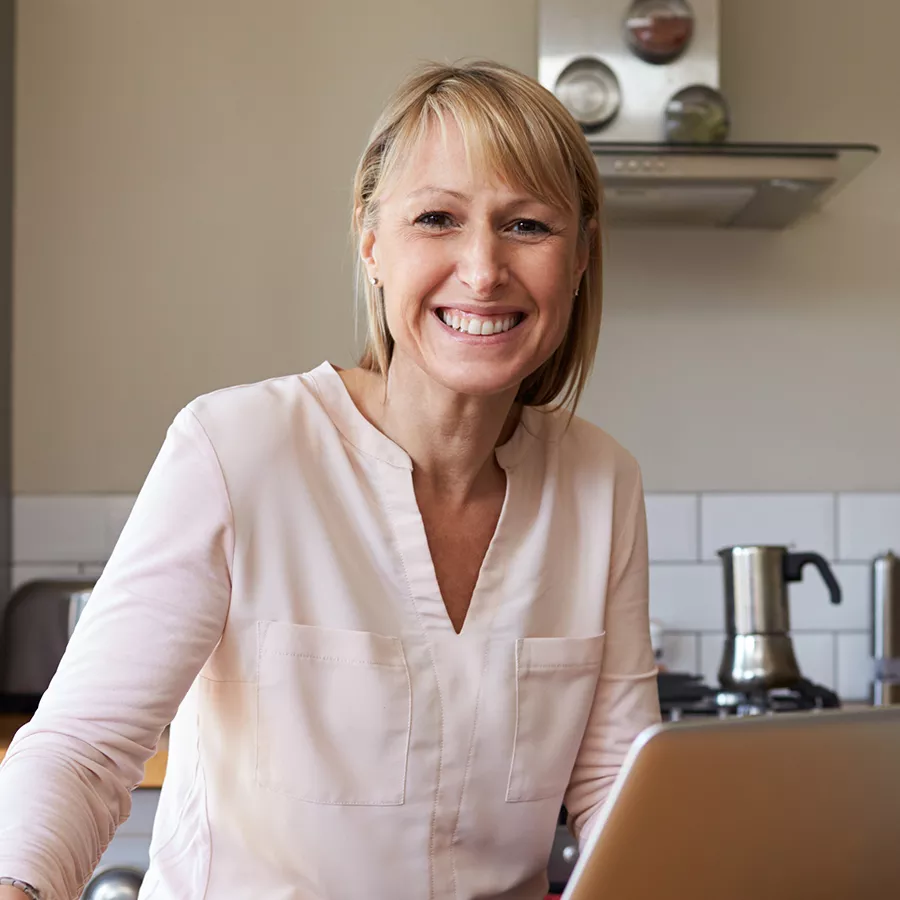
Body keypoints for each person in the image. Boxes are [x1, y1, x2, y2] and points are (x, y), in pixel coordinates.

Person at [0, 59, 660, 900]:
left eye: (527, 225)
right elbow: (83, 749)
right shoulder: (236, 449)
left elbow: (615, 790)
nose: (483, 269)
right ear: (372, 243)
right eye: (437, 218)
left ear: (580, 256)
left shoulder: (602, 483)